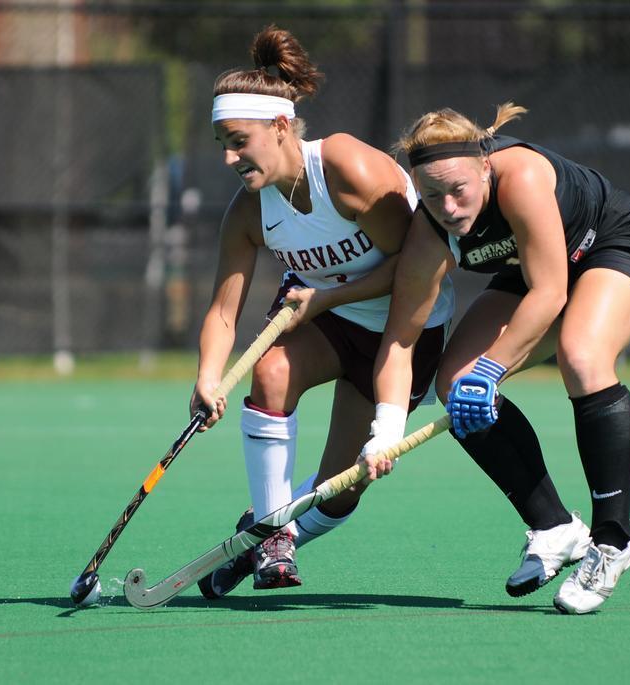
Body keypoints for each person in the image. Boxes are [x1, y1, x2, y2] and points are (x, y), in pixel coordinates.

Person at [361, 103, 630, 614]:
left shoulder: (521, 176)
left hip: (611, 244)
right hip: (534, 268)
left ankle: (613, 540)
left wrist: (491, 368)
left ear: (485, 166)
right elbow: (399, 339)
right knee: (452, 382)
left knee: (582, 356)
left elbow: (550, 293)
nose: (449, 208)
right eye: (432, 195)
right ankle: (554, 526)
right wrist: (386, 428)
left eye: (459, 189)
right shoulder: (429, 230)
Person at [192, 26, 455, 598]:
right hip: (329, 321)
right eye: (221, 144)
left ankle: (270, 535)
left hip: (405, 329)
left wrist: (328, 296)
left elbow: (418, 269)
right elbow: (222, 312)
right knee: (270, 370)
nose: (229, 157)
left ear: (279, 126)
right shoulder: (248, 212)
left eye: (238, 141)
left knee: (343, 486)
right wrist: (208, 377)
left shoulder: (345, 168)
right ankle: (271, 535)